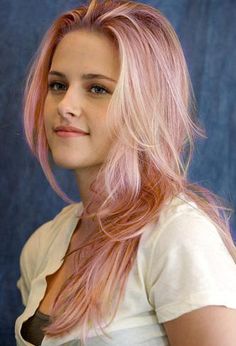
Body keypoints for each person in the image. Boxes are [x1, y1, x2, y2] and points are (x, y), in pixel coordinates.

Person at [15, 0, 236, 345]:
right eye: (58, 85)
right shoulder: (42, 246)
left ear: (145, 105)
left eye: (98, 89)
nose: (66, 106)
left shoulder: (178, 237)